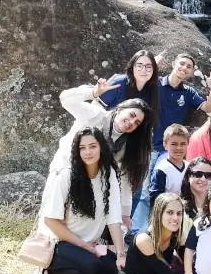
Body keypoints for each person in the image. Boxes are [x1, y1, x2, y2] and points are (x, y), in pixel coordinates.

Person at [37, 128, 128, 274]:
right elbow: (50, 220)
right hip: (61, 244)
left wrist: (120, 255)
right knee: (90, 264)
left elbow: (114, 218)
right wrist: (85, 247)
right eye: (82, 148)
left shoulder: (108, 174)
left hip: (92, 246)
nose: (87, 152)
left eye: (92, 146)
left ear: (101, 147)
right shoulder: (66, 176)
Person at [57, 85, 154, 225]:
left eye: (137, 123)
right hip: (64, 171)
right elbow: (65, 99)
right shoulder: (96, 116)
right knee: (55, 221)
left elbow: (125, 179)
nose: (131, 122)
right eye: (131, 115)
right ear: (120, 108)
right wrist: (92, 92)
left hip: (90, 182)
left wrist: (125, 214)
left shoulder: (126, 145)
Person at [110, 51, 211, 152]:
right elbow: (135, 80)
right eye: (182, 63)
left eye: (189, 67)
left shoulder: (189, 92)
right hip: (146, 143)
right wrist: (152, 64)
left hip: (168, 147)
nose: (184, 68)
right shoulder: (155, 83)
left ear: (191, 72)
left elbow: (208, 108)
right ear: (174, 64)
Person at [135, 124, 191, 230]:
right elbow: (155, 198)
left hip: (184, 215)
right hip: (165, 216)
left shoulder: (189, 167)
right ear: (165, 145)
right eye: (174, 144)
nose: (179, 148)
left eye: (183, 144)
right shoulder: (162, 169)